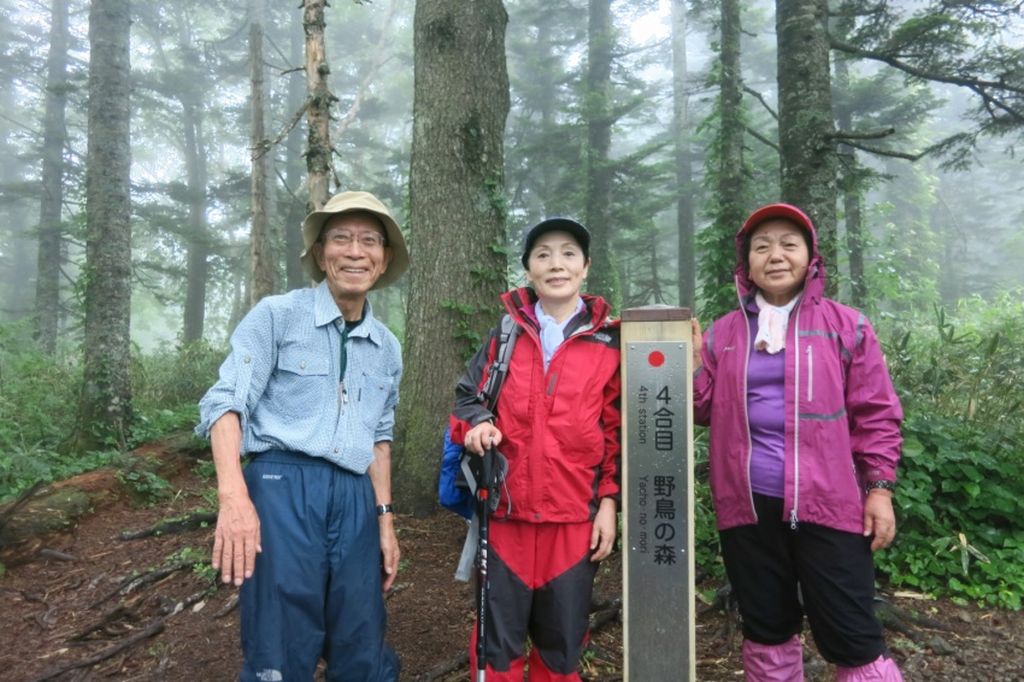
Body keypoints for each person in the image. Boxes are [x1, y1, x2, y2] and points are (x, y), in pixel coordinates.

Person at [195, 191, 407, 681]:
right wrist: (234, 499)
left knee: (362, 637)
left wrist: (384, 519)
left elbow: (379, 437)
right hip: (280, 487)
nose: (356, 251)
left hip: (355, 496)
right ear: (319, 253)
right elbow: (226, 404)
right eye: (342, 239)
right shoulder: (276, 316)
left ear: (385, 258)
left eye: (369, 241)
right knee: (280, 642)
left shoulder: (387, 347)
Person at [692, 203, 904, 681]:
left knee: (852, 632)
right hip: (746, 505)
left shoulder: (846, 326)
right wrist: (685, 361)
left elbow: (877, 415)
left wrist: (880, 489)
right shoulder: (724, 333)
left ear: (810, 257)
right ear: (746, 263)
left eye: (789, 243)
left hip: (830, 503)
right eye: (761, 246)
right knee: (766, 627)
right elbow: (701, 409)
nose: (775, 255)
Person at [449, 218, 621, 681]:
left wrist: (609, 504)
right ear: (528, 270)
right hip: (505, 517)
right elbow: (466, 400)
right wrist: (478, 425)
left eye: (568, 253)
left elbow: (615, 433)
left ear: (585, 267)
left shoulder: (610, 344)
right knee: (497, 648)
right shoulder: (503, 337)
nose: (556, 264)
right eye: (543, 254)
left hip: (574, 521)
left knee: (562, 647)